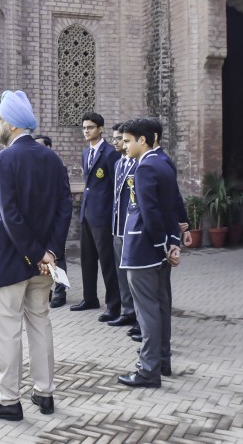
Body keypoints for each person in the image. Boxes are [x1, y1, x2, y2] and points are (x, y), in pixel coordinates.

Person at [0, 91, 72, 421]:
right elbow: (64, 208)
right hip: (43, 263)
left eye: (0, 119)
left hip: (10, 260)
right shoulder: (53, 159)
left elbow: (10, 215)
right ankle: (44, 393)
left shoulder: (3, 160)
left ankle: (9, 400)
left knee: (8, 331)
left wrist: (37, 254)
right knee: (40, 324)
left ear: (12, 124)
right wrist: (50, 252)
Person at [118, 118, 181, 389]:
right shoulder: (164, 161)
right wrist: (172, 242)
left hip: (144, 249)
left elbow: (150, 212)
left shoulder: (145, 167)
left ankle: (148, 370)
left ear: (142, 140)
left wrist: (160, 247)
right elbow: (174, 204)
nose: (124, 146)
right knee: (161, 306)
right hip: (159, 247)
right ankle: (162, 360)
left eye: (127, 141)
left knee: (147, 312)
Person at [72, 112, 122, 322]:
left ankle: (114, 305)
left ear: (100, 129)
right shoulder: (86, 152)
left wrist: (113, 215)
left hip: (103, 216)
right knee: (87, 259)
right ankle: (90, 298)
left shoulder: (110, 153)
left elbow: (116, 187)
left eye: (90, 127)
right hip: (87, 213)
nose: (86, 131)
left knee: (107, 262)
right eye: (84, 127)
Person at [108, 123, 138, 330]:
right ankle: (127, 312)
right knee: (121, 272)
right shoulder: (119, 163)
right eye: (115, 139)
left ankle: (139, 317)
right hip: (117, 227)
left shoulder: (138, 164)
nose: (116, 142)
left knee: (134, 276)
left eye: (120, 139)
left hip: (131, 228)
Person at [33, 134, 69, 309]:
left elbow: (64, 199)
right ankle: (45, 290)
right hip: (38, 221)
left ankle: (60, 292)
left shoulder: (58, 167)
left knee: (57, 255)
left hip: (54, 221)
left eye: (40, 146)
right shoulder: (32, 167)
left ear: (48, 148)